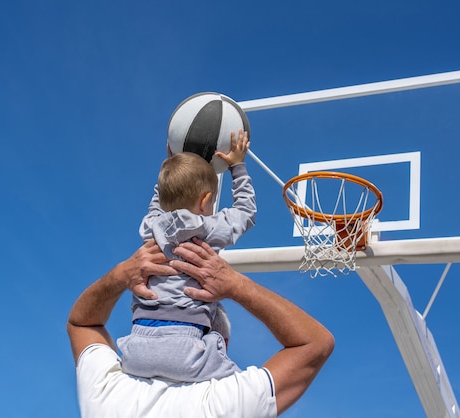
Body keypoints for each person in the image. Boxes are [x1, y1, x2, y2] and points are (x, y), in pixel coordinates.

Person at [67, 239, 335, 418]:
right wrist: (235, 286)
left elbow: (82, 323)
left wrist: (121, 275)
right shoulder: (223, 403)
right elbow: (315, 343)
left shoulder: (110, 392)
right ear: (221, 344)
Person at [117, 129, 256, 382]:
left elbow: (157, 203)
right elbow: (246, 212)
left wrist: (169, 168)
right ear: (205, 201)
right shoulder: (208, 228)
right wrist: (238, 167)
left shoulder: (151, 226)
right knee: (242, 386)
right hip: (186, 349)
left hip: (135, 349)